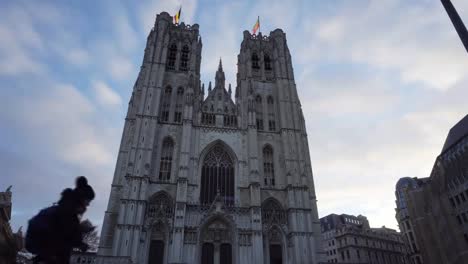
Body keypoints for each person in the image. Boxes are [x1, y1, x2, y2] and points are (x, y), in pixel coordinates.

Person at [25, 176, 96, 264]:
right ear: (82, 199)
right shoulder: (67, 212)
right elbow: (62, 236)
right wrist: (80, 230)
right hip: (51, 257)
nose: (88, 204)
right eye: (88, 200)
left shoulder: (65, 209)